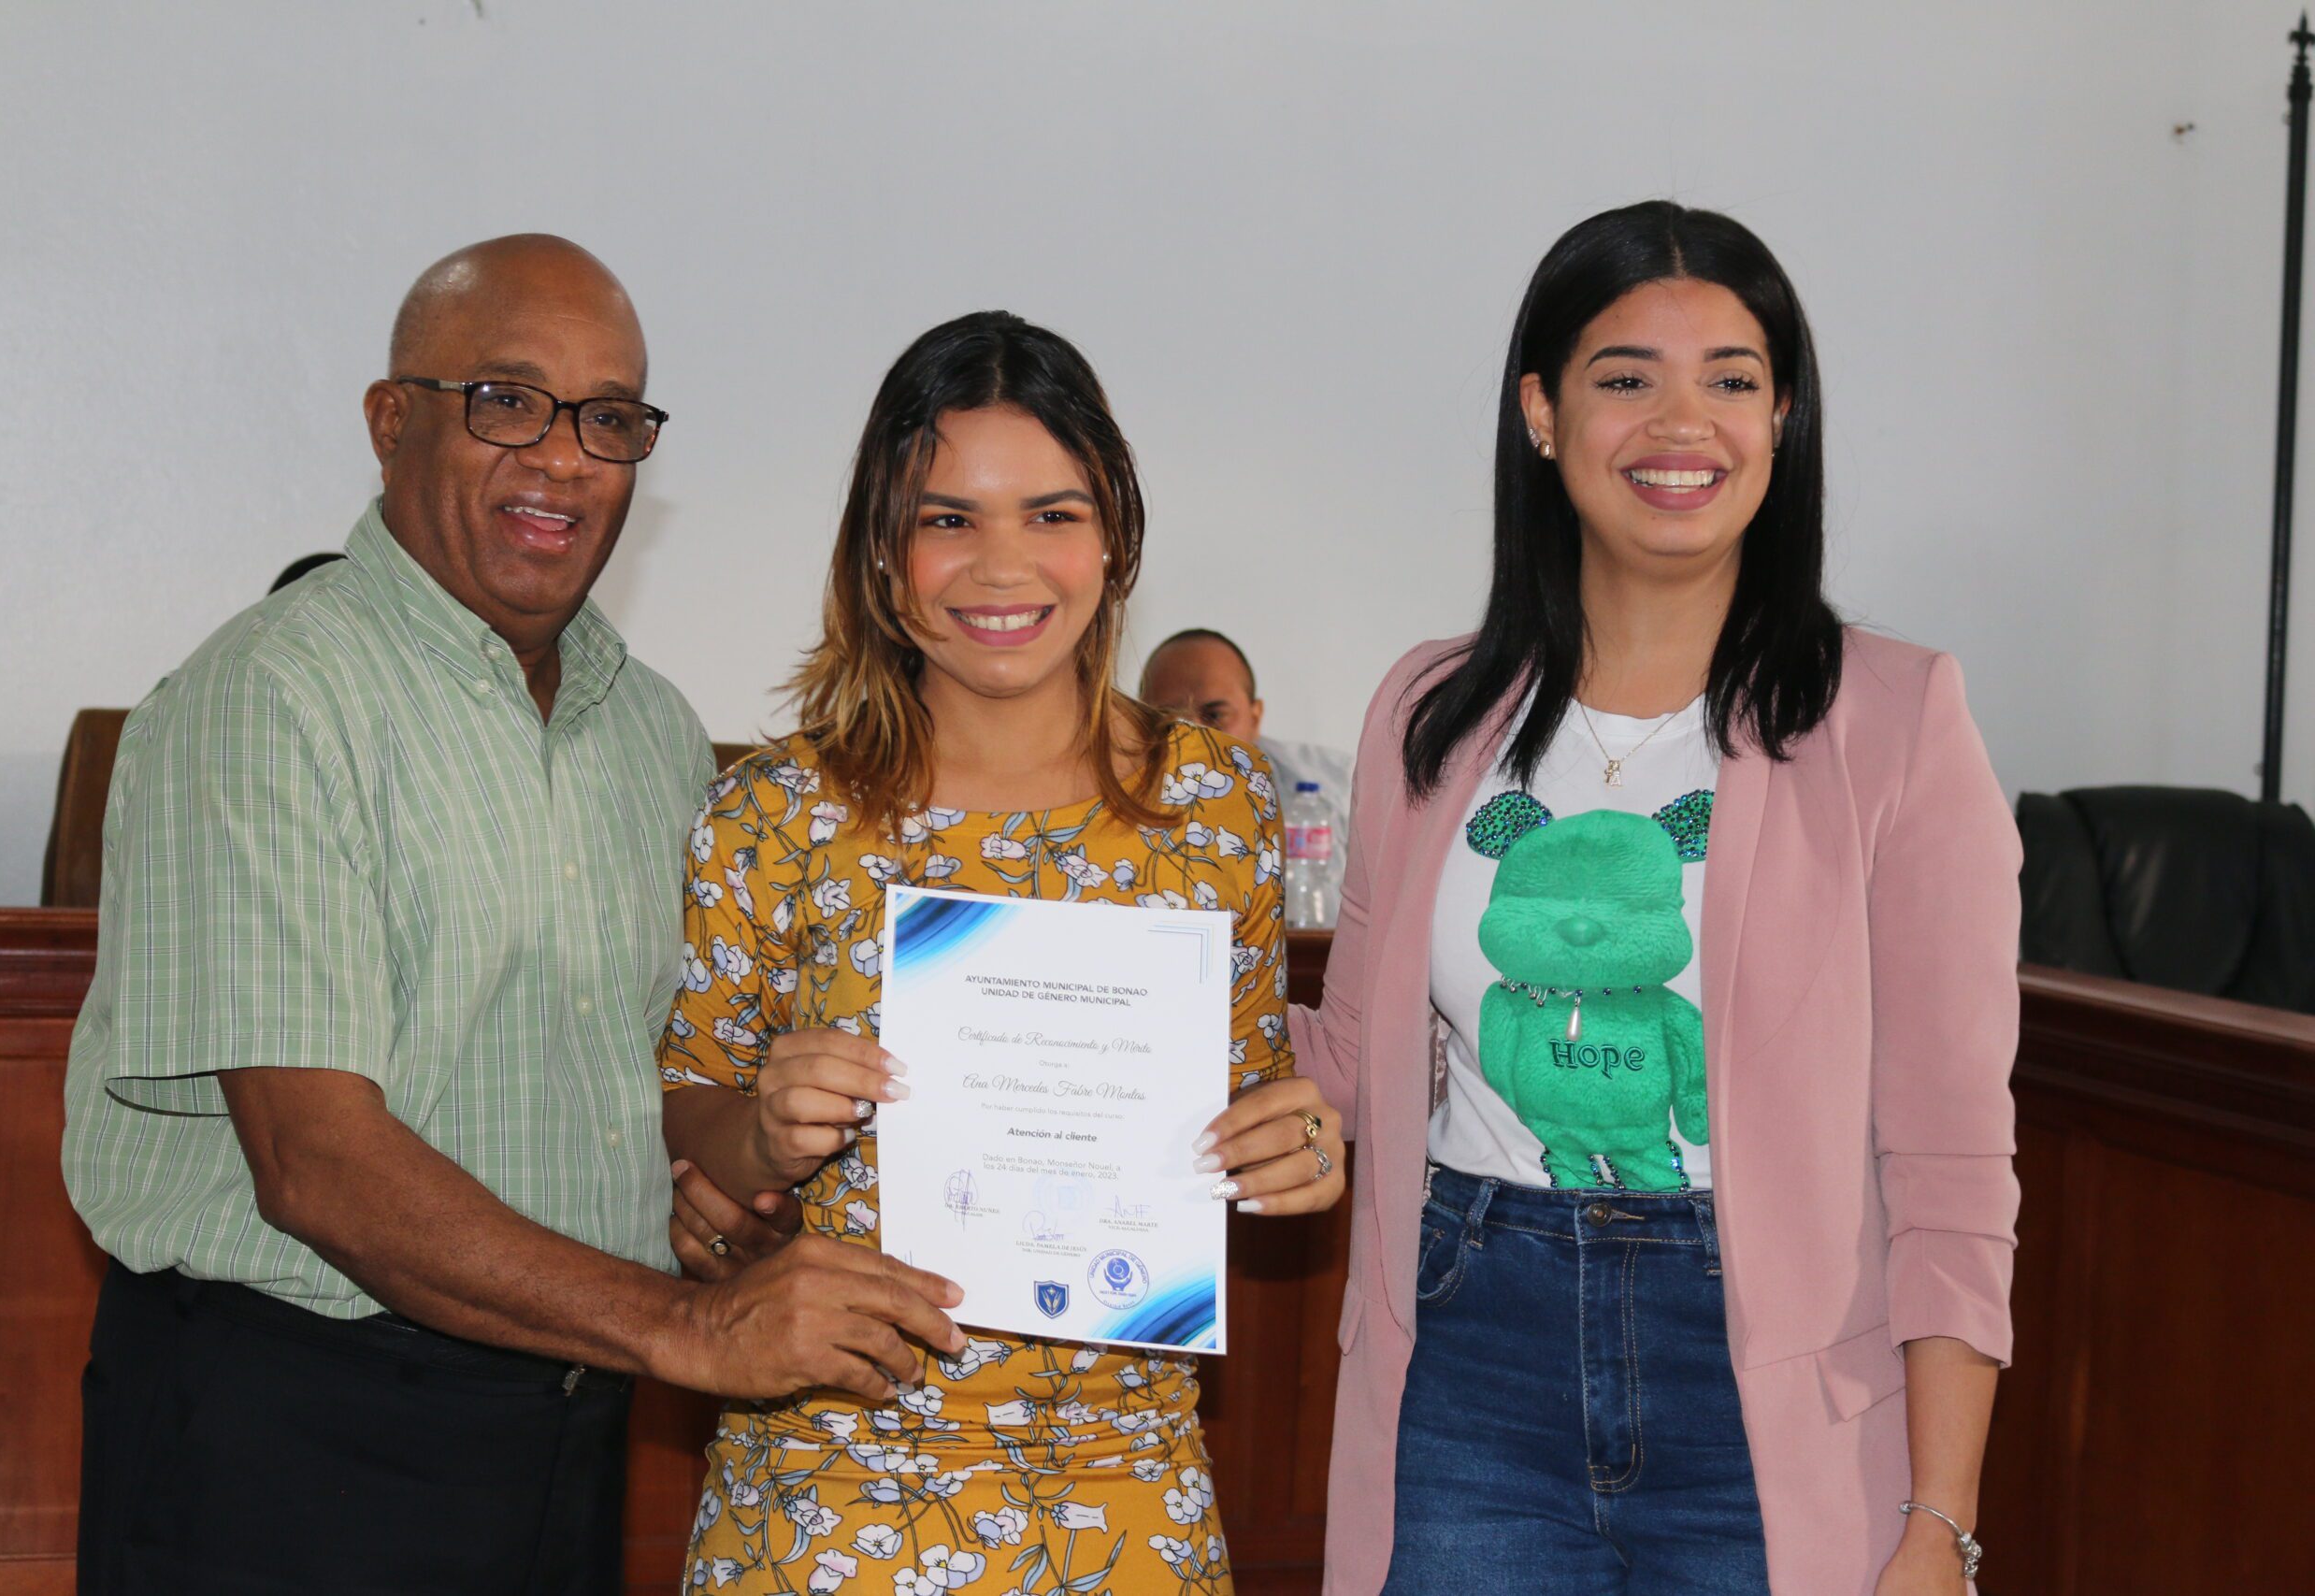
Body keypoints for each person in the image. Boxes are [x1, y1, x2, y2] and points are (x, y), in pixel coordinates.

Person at [61, 234, 964, 1596]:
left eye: (609, 418)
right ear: (391, 421)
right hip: (292, 1437)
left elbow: (631, 1088)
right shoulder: (272, 698)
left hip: (567, 1416)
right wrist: (692, 1323)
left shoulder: (652, 730)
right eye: (508, 401)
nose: (563, 457)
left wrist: (729, 1196)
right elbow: (316, 1161)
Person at [1291, 202, 2019, 1596]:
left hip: (1771, 1383)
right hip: (1468, 1354)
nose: (1682, 423)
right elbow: (1347, 1061)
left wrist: (1942, 1520)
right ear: (1542, 413)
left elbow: (1950, 1153)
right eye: (1626, 376)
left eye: (1731, 379)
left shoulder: (1896, 716)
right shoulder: (1430, 711)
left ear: (1781, 416)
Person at [657, 310, 1348, 1595]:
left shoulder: (1216, 806)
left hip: (1121, 1487)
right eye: (947, 518)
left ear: (1114, 535)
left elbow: (1248, 1105)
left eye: (1051, 513)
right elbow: (691, 1107)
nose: (1001, 565)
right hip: (825, 1484)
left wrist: (1296, 1150)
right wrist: (760, 1134)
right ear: (883, 549)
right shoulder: (774, 813)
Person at [1138, 625, 1355, 803]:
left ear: (1255, 718)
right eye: (1169, 720)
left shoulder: (1339, 788)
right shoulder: (1122, 795)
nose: (1192, 736)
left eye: (1214, 716)